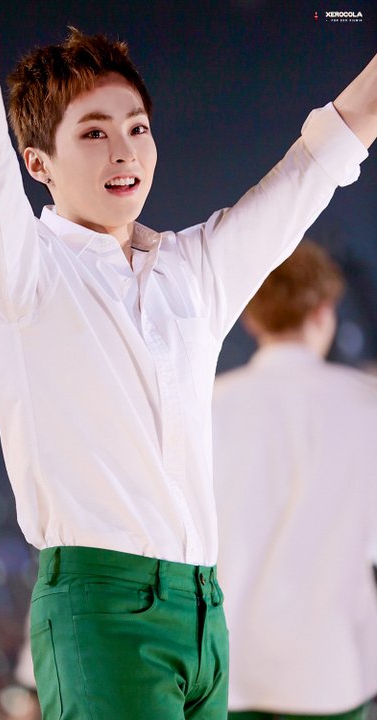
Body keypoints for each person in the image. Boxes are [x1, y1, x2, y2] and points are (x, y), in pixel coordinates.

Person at [0, 0, 376, 717]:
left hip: (205, 612)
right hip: (103, 611)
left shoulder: (192, 272)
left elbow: (320, 159)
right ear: (37, 162)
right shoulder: (22, 272)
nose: (125, 151)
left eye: (137, 127)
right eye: (94, 132)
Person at [212, 240, 377, 720]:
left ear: (251, 319)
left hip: (229, 668)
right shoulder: (366, 404)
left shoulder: (207, 406)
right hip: (330, 669)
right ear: (324, 310)